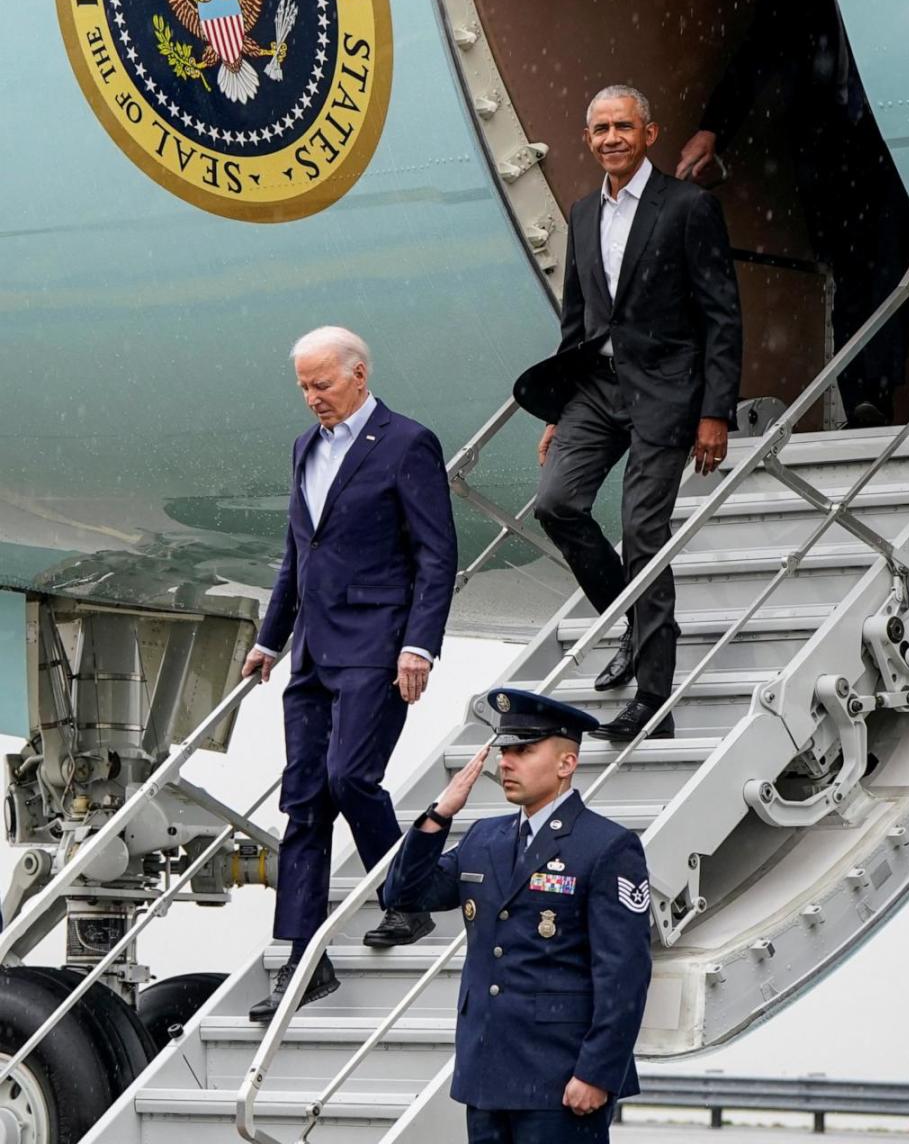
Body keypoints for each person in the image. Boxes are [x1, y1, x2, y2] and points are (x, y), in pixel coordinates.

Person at [242, 326, 458, 1022]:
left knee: (348, 778)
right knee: (303, 806)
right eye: (303, 386)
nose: (312, 398)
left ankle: (407, 895)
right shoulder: (304, 448)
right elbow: (295, 554)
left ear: (358, 376)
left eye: (322, 384)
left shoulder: (406, 443)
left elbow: (436, 555)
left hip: (377, 644)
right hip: (312, 652)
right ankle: (303, 966)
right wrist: (270, 640)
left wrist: (419, 646)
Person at [514, 86, 742, 741]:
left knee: (643, 533)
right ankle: (635, 624)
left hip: (667, 389)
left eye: (624, 126)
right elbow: (577, 321)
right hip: (595, 388)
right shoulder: (584, 212)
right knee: (557, 502)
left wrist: (715, 411)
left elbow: (722, 315)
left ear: (649, 133)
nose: (611, 137)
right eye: (600, 129)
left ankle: (653, 699)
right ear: (587, 140)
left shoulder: (689, 207)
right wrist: (558, 407)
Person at [676, 0, 909, 427]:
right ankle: (867, 398)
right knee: (850, 269)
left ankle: (876, 387)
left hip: (892, 142)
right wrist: (714, 127)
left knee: (890, 264)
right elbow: (751, 59)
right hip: (825, 152)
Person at [384, 687, 651, 1144]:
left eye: (523, 751)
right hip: (487, 1074)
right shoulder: (484, 838)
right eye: (504, 751)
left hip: (562, 1080)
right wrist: (439, 815)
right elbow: (404, 894)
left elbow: (623, 973)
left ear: (566, 764)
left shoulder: (605, 846)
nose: (505, 762)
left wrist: (598, 1073)